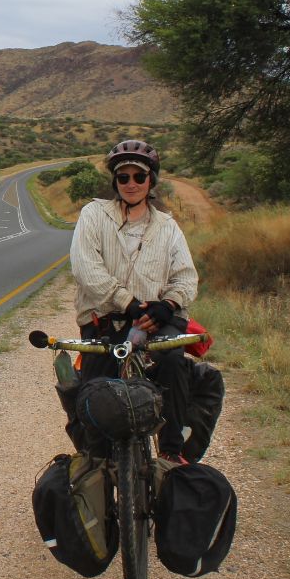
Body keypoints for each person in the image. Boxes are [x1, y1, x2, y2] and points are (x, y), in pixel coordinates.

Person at [67, 139, 199, 464]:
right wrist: (126, 302)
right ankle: (97, 465)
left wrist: (168, 305)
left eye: (139, 176)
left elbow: (186, 277)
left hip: (154, 322)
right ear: (115, 182)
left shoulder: (168, 227)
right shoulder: (94, 215)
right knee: (94, 393)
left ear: (151, 181)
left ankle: (171, 451)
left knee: (173, 364)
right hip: (104, 319)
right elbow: (85, 267)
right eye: (123, 177)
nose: (131, 184)